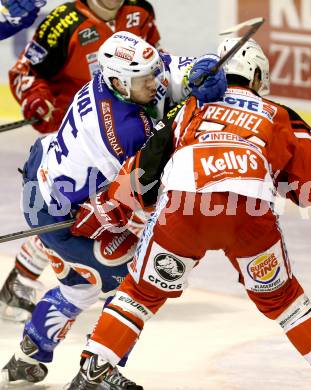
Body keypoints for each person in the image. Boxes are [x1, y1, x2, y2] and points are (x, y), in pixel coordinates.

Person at [66, 38, 311, 390]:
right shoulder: (277, 113)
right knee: (283, 299)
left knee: (140, 294)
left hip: (183, 207)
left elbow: (148, 163)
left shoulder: (190, 107)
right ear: (255, 76)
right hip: (249, 211)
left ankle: (94, 368)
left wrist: (109, 207)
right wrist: (280, 179)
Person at [1, 31, 227, 389]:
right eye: (145, 79)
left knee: (80, 287)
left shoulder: (117, 80)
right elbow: (150, 183)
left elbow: (171, 71)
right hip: (61, 216)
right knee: (138, 282)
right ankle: (100, 369)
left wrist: (200, 69)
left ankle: (28, 358)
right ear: (120, 82)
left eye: (152, 74)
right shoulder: (125, 130)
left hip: (44, 180)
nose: (155, 82)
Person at [0, 0, 161, 323]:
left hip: (128, 126)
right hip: (78, 133)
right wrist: (35, 97)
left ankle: (26, 279)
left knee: (93, 210)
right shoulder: (63, 22)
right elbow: (25, 72)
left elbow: (158, 62)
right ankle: (25, 279)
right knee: (68, 209)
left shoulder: (140, 11)